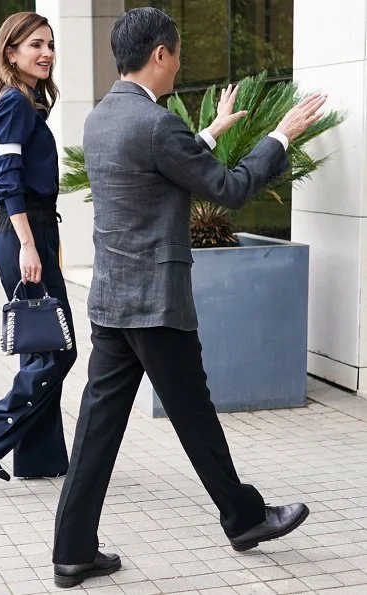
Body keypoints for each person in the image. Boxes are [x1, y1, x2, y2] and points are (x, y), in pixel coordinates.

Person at [51, 7, 327, 589]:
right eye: (177, 54)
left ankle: (72, 550)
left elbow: (154, 166)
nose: (180, 65)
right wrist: (281, 136)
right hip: (155, 301)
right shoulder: (155, 125)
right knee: (196, 418)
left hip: (113, 301)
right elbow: (228, 188)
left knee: (97, 431)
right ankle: (246, 517)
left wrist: (212, 130)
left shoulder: (102, 117)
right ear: (159, 54)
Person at [0, 12, 77, 482]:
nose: (46, 52)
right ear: (11, 52)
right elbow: (8, 181)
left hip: (35, 230)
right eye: (35, 44)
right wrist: (30, 245)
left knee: (41, 349)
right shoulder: (14, 103)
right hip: (24, 233)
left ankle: (41, 459)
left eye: (49, 44)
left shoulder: (25, 104)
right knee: (58, 351)